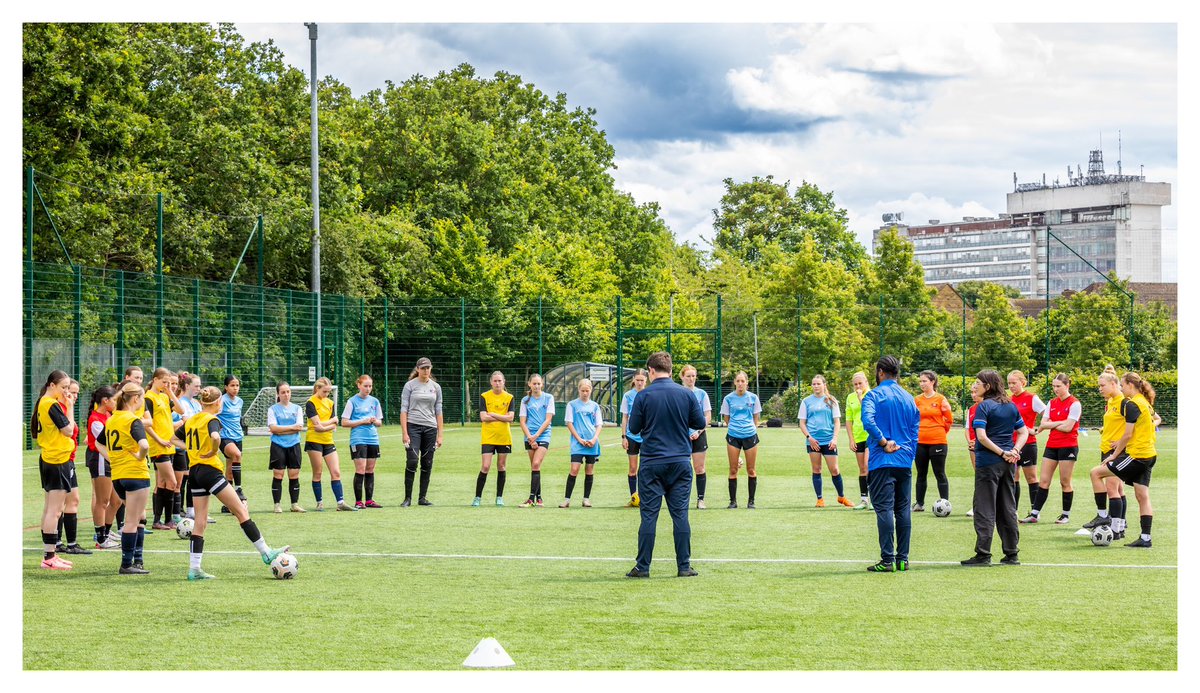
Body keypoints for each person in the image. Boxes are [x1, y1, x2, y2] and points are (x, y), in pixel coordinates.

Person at [171, 386, 292, 580]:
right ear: (218, 403)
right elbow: (216, 437)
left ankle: (194, 569)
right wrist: (211, 451)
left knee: (200, 522)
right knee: (241, 511)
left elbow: (173, 439)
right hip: (210, 471)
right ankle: (266, 553)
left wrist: (194, 448)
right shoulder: (213, 420)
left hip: (194, 472)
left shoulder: (192, 419)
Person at [625, 351, 706, 578]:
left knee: (649, 516)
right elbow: (699, 423)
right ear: (671, 370)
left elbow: (633, 429)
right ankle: (684, 566)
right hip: (680, 461)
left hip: (652, 463)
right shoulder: (686, 394)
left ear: (651, 371)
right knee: (680, 515)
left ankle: (643, 567)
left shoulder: (643, 396)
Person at [1083, 373, 1158, 548]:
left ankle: (1103, 515)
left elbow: (1127, 434)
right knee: (1142, 496)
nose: (1122, 389)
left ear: (1131, 385)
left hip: (1137, 456)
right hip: (1149, 454)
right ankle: (1145, 538)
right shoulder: (1145, 402)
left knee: (1096, 473)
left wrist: (1114, 455)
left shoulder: (1132, 404)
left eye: (1123, 385)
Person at [860, 356, 919, 573]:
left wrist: (884, 442)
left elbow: (868, 421)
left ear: (881, 372)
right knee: (903, 509)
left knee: (884, 508)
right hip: (904, 460)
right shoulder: (909, 397)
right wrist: (909, 453)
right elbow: (915, 429)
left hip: (881, 459)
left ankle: (887, 560)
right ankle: (903, 559)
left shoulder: (873, 395)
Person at [963, 370, 1028, 567]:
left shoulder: (983, 407)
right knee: (1007, 507)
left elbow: (981, 437)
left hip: (988, 463)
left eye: (978, 383)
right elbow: (1023, 432)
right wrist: (1014, 450)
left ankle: (983, 554)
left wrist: (1001, 452)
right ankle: (1011, 554)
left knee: (984, 508)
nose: (975, 386)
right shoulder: (1010, 405)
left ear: (988, 387)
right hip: (1008, 464)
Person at [95, 382, 152, 574]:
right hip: (135, 474)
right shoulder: (132, 420)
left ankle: (138, 560)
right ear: (135, 399)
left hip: (118, 476)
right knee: (132, 520)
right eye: (141, 398)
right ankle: (127, 564)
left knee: (140, 516)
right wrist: (139, 456)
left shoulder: (112, 419)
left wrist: (112, 457)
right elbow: (144, 445)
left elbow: (98, 443)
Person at [32, 371, 79, 570]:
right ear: (52, 385)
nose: (67, 392)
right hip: (57, 459)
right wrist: (69, 407)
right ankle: (49, 557)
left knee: (50, 509)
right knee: (55, 510)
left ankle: (49, 554)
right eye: (64, 388)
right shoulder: (50, 404)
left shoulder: (45, 402)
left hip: (51, 458)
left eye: (69, 388)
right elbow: (69, 430)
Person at [1023, 373, 1081, 524]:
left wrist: (1052, 423)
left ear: (1067, 386)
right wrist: (1057, 423)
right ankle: (1034, 514)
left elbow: (1068, 428)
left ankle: (1065, 515)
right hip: (1052, 445)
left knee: (1064, 481)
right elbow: (1043, 424)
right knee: (1043, 481)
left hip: (1068, 446)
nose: (1055, 389)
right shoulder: (1051, 403)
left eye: (1058, 386)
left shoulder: (1075, 403)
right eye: (1054, 386)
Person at [1087, 368, 1130, 539]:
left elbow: (1138, 426)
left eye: (1102, 385)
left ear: (1114, 384)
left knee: (1111, 488)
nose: (1100, 388)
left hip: (1117, 452)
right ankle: (1119, 527)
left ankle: (1110, 523)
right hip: (1106, 449)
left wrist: (1121, 442)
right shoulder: (1111, 401)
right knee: (1118, 489)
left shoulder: (1124, 402)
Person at [798, 374, 852, 508]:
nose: (816, 386)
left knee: (834, 469)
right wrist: (809, 438)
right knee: (816, 469)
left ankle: (841, 497)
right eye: (814, 384)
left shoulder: (831, 400)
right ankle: (820, 499)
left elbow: (837, 422)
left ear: (824, 385)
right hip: (813, 442)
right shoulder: (806, 401)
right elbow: (802, 423)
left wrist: (834, 438)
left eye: (818, 384)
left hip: (829, 440)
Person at [305, 377, 354, 511]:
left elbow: (332, 425)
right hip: (314, 441)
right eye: (324, 391)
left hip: (328, 440)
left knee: (336, 472)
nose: (326, 394)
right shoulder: (310, 403)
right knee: (318, 473)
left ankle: (341, 503)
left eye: (328, 392)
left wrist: (325, 425)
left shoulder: (330, 403)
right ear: (317, 388)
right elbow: (317, 426)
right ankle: (319, 503)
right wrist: (330, 423)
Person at [400, 357, 444, 507]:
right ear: (417, 369)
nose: (426, 371)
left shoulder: (436, 387)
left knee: (427, 462)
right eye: (423, 368)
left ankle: (422, 498)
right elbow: (403, 410)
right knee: (412, 460)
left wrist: (440, 434)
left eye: (428, 368)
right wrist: (404, 432)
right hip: (413, 426)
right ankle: (407, 498)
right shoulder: (410, 386)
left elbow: (439, 411)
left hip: (430, 428)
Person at [54, 380, 91, 556]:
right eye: (71, 391)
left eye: (76, 393)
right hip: (63, 460)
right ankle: (67, 543)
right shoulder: (60, 408)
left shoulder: (66, 408)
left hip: (68, 460)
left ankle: (62, 542)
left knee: (67, 502)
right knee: (67, 501)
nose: (74, 396)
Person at [85, 385, 122, 549]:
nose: (116, 403)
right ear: (105, 401)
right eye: (114, 400)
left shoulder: (108, 414)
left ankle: (105, 533)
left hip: (111, 459)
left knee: (117, 500)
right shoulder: (95, 420)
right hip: (100, 459)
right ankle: (100, 538)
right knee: (103, 501)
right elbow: (104, 443)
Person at [144, 368, 181, 530]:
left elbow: (181, 410)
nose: (167, 385)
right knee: (172, 482)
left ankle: (164, 521)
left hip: (169, 446)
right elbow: (147, 423)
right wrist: (158, 439)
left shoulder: (164, 396)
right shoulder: (148, 398)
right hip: (158, 446)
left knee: (163, 483)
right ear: (155, 379)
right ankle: (161, 519)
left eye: (169, 382)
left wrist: (170, 392)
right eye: (164, 382)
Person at [342, 374, 385, 509]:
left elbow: (379, 422)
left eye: (370, 386)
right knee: (360, 468)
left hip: (373, 438)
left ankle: (369, 500)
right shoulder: (352, 401)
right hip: (358, 439)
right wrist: (362, 421)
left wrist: (374, 421)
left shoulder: (375, 401)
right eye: (365, 386)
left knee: (370, 469)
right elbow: (344, 422)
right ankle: (358, 501)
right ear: (359, 385)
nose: (368, 389)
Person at [913, 370, 953, 513]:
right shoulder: (917, 400)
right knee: (921, 473)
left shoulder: (941, 399)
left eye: (925, 381)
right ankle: (919, 503)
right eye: (920, 381)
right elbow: (912, 419)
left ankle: (945, 504)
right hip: (920, 442)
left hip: (938, 441)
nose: (922, 383)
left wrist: (939, 432)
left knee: (939, 473)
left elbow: (949, 420)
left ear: (932, 382)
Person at [1007, 370, 1047, 514]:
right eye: (1009, 383)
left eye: (1014, 383)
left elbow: (1047, 414)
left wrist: (1036, 429)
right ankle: (1013, 510)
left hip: (1028, 444)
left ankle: (1034, 511)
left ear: (1023, 383)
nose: (1011, 386)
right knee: (1013, 477)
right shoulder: (1008, 400)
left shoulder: (1032, 398)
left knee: (1031, 477)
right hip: (1011, 444)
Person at [720, 371, 761, 509]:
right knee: (733, 469)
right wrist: (736, 427)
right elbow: (727, 419)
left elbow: (756, 418)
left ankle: (751, 501)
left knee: (751, 469)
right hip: (733, 436)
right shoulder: (728, 398)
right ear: (734, 383)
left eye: (743, 381)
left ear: (747, 383)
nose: (740, 384)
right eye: (738, 381)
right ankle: (733, 501)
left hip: (750, 435)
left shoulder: (753, 398)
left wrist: (749, 428)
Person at [560, 378, 603, 507]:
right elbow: (569, 423)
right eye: (582, 390)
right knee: (574, 469)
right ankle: (567, 500)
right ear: (578, 390)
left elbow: (599, 424)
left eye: (587, 390)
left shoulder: (595, 406)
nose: (585, 393)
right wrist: (579, 439)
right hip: (578, 443)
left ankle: (586, 499)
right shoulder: (572, 405)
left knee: (589, 470)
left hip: (592, 443)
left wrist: (594, 439)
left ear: (591, 390)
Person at [475, 371, 514, 507]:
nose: (497, 383)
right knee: (485, 466)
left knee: (501, 466)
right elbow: (483, 417)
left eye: (500, 381)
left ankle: (499, 497)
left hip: (504, 437)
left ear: (504, 382)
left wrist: (492, 414)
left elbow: (511, 418)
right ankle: (477, 497)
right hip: (488, 437)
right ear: (491, 382)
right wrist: (501, 416)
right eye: (495, 381)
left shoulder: (509, 397)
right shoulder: (484, 396)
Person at [268, 382, 307, 513]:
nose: (286, 395)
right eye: (283, 392)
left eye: (288, 392)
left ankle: (294, 504)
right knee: (278, 474)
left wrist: (280, 430)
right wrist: (291, 428)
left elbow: (299, 427)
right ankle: (277, 505)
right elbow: (273, 428)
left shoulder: (297, 409)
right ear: (278, 394)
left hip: (294, 445)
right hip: (278, 445)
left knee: (294, 474)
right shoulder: (272, 409)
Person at [518, 373, 555, 507]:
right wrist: (529, 437)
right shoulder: (525, 400)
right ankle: (539, 498)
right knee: (535, 467)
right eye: (534, 384)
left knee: (536, 464)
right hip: (529, 436)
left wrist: (536, 436)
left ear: (542, 384)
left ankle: (530, 499)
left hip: (543, 435)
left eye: (539, 383)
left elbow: (548, 419)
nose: (536, 386)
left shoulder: (548, 398)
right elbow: (522, 421)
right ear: (529, 384)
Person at [680, 365, 712, 509]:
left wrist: (698, 431)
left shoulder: (702, 394)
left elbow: (708, 416)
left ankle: (700, 499)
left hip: (699, 435)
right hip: (681, 436)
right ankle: (681, 500)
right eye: (688, 376)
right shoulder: (678, 393)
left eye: (693, 376)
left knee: (699, 468)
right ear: (682, 377)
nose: (691, 379)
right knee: (681, 468)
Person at [216, 375, 247, 512]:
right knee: (237, 455)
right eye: (232, 385)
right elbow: (213, 416)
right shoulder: (221, 401)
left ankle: (228, 504)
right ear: (226, 387)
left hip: (238, 436)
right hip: (225, 437)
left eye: (237, 385)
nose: (235, 388)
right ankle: (238, 489)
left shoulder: (240, 401)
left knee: (229, 471)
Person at [843, 371, 872, 509]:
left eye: (860, 383)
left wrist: (861, 397)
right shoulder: (850, 397)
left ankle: (874, 499)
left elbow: (868, 410)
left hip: (871, 435)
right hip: (858, 436)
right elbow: (849, 420)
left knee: (868, 466)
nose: (858, 386)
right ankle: (864, 500)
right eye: (855, 384)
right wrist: (851, 439)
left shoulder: (872, 394)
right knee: (862, 469)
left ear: (866, 382)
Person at [620, 369, 648, 507]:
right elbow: (625, 417)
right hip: (632, 436)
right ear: (633, 380)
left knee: (644, 468)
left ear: (646, 381)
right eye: (637, 380)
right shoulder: (628, 396)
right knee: (632, 468)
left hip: (647, 437)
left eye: (642, 380)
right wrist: (624, 436)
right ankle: (633, 498)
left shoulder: (649, 394)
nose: (640, 383)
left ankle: (645, 498)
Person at [964, 380, 983, 519]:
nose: (973, 394)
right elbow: (967, 429)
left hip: (985, 446)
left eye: (975, 391)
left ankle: (983, 506)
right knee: (978, 475)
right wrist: (970, 441)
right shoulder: (971, 409)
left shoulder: (987, 407)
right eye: (971, 392)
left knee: (985, 475)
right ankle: (977, 506)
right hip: (973, 447)